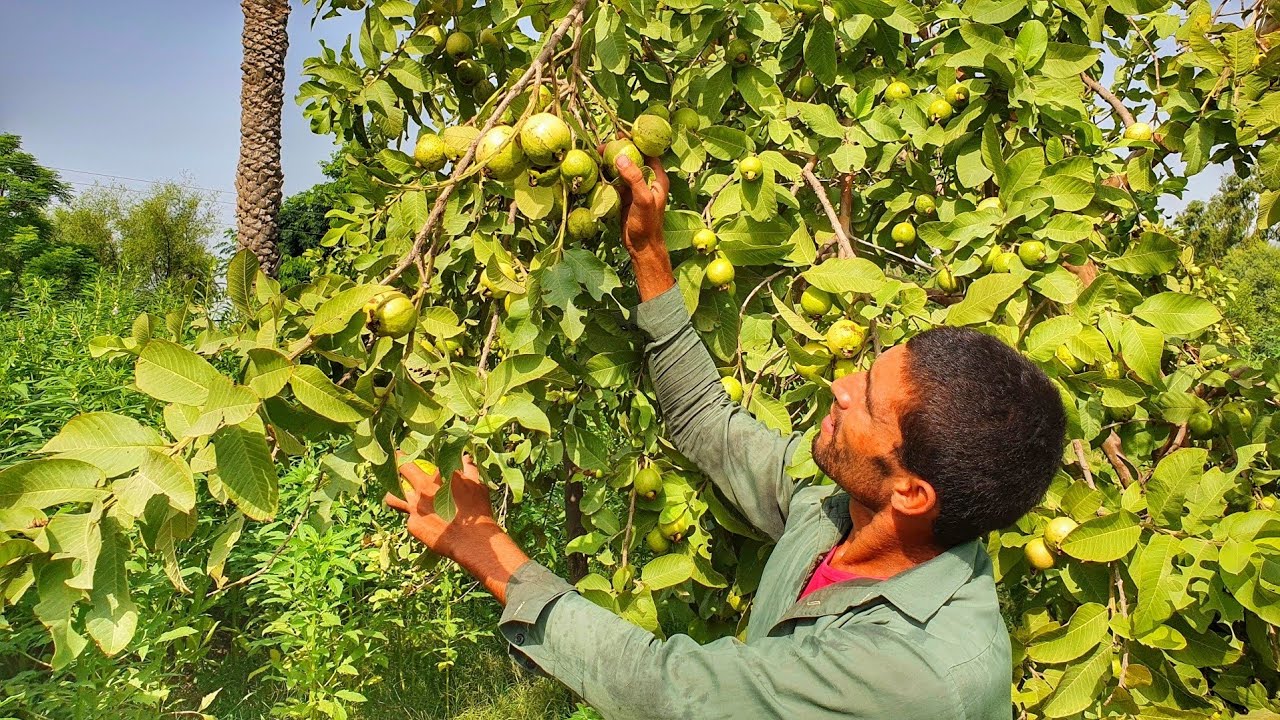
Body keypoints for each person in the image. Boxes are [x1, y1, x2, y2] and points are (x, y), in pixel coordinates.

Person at [385, 152, 1068, 719]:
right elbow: (708, 422)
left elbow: (669, 692)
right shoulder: (841, 515)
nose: (840, 384)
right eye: (865, 370)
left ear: (912, 493)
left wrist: (491, 553)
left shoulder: (913, 674)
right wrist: (649, 253)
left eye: (866, 403)